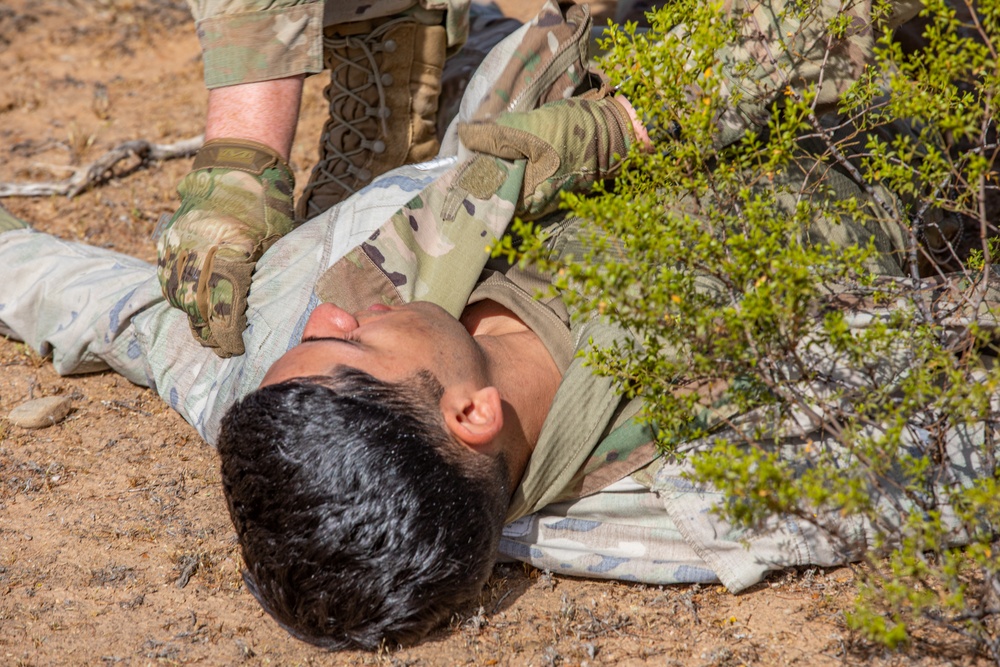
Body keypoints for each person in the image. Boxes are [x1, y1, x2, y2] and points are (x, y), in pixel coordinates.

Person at [2, 0, 971, 651]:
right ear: (469, 415)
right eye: (352, 340)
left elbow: (128, 321)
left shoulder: (286, 388)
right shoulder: (725, 454)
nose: (335, 310)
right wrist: (640, 121)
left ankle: (397, 34)